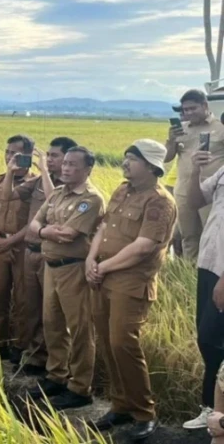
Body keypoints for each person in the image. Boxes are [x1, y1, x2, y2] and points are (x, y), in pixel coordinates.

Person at [85, 140, 176, 441]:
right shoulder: (121, 191)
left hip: (131, 280)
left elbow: (144, 247)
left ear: (151, 166)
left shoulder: (159, 202)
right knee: (107, 343)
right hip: (103, 275)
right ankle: (120, 403)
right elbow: (104, 228)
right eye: (124, 158)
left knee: (123, 342)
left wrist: (105, 266)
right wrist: (90, 259)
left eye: (132, 159)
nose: (125, 163)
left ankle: (143, 412)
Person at [24, 146, 105, 411]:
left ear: (87, 169)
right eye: (65, 163)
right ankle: (56, 375)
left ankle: (80, 387)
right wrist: (49, 230)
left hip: (73, 268)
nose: (66, 168)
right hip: (51, 266)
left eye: (73, 164)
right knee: (52, 323)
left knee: (80, 327)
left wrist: (44, 231)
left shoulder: (91, 199)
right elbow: (34, 225)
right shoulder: (57, 193)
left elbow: (69, 234)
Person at [11, 136, 76, 375]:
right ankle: (36, 355)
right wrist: (13, 171)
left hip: (51, 256)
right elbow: (10, 195)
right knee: (32, 307)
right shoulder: (37, 181)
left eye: (54, 156)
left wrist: (44, 173)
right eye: (47, 155)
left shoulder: (70, 188)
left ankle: (56, 365)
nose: (49, 160)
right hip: (31, 252)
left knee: (53, 314)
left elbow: (53, 200)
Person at [181, 142, 224, 430]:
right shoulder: (223, 171)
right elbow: (196, 201)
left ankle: (216, 413)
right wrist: (195, 170)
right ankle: (211, 409)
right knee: (208, 341)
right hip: (209, 265)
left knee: (215, 339)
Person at [0, 134, 36, 364]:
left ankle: (20, 344)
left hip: (22, 246)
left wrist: (10, 242)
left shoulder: (36, 184)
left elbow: (35, 220)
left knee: (24, 298)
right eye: (7, 152)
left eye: (16, 153)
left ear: (28, 156)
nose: (10, 157)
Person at [166, 89, 224, 261]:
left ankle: (208, 275)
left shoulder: (220, 129)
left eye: (193, 108)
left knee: (212, 237)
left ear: (205, 106)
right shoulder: (180, 130)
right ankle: (189, 276)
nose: (189, 113)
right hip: (183, 192)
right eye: (186, 110)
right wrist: (170, 140)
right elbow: (167, 157)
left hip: (210, 194)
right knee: (188, 237)